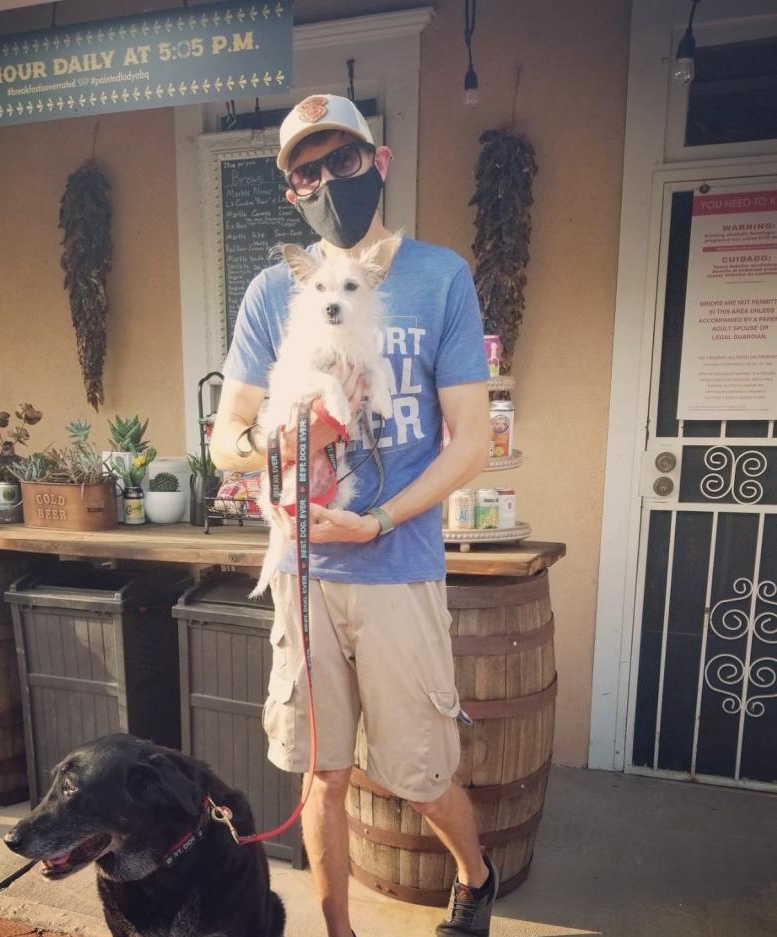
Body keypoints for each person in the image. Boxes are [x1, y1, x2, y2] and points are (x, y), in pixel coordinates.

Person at [210, 93, 494, 937]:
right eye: (308, 172)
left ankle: (477, 876)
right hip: (305, 575)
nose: (329, 180)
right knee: (321, 774)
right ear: (291, 191)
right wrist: (281, 440)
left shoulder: (441, 276)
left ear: (380, 161)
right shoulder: (272, 292)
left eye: (343, 161)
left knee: (419, 771)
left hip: (397, 567)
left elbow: (472, 442)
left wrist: (380, 520)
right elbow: (225, 439)